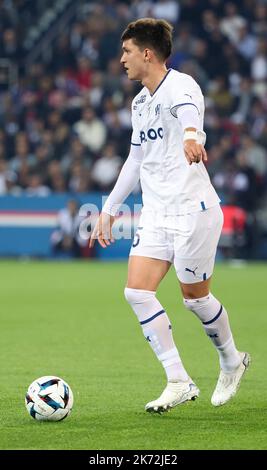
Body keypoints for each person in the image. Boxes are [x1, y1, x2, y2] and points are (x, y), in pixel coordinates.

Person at [90, 18, 250, 414]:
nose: (122, 59)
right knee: (137, 292)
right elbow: (136, 158)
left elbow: (189, 114)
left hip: (193, 210)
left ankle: (231, 359)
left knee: (195, 299)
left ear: (147, 53)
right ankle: (178, 380)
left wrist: (193, 136)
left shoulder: (181, 86)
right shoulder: (139, 102)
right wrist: (109, 209)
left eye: (127, 52)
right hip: (157, 213)